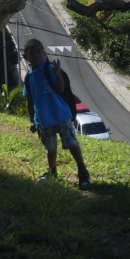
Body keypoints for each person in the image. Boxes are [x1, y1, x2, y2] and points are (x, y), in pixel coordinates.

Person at [23, 38, 91, 189]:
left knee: (72, 143)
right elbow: (30, 100)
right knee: (50, 147)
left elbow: (61, 89)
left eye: (39, 52)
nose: (36, 55)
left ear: (44, 52)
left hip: (60, 115)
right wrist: (32, 121)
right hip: (43, 120)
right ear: (25, 56)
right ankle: (52, 171)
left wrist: (58, 74)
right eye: (31, 53)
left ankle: (82, 172)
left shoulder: (49, 69)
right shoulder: (29, 76)